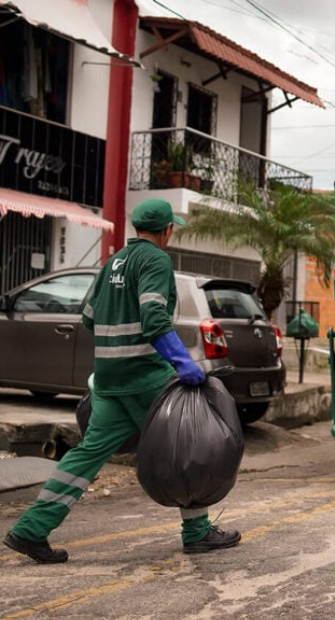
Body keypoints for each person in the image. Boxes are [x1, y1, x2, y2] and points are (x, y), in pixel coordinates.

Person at [3, 198, 241, 563]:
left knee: (86, 455)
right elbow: (154, 318)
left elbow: (88, 319)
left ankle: (30, 530)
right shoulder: (156, 260)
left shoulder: (111, 262)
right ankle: (197, 532)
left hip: (109, 380)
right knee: (187, 447)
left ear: (136, 229)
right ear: (166, 230)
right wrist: (183, 364)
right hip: (145, 377)